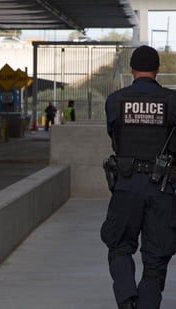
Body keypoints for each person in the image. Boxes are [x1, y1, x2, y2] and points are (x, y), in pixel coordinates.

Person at [101, 45, 176, 309]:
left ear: (132, 69)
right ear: (158, 69)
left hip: (126, 183)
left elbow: (115, 139)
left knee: (119, 244)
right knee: (156, 258)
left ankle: (126, 299)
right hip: (162, 187)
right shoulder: (172, 100)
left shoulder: (115, 100)